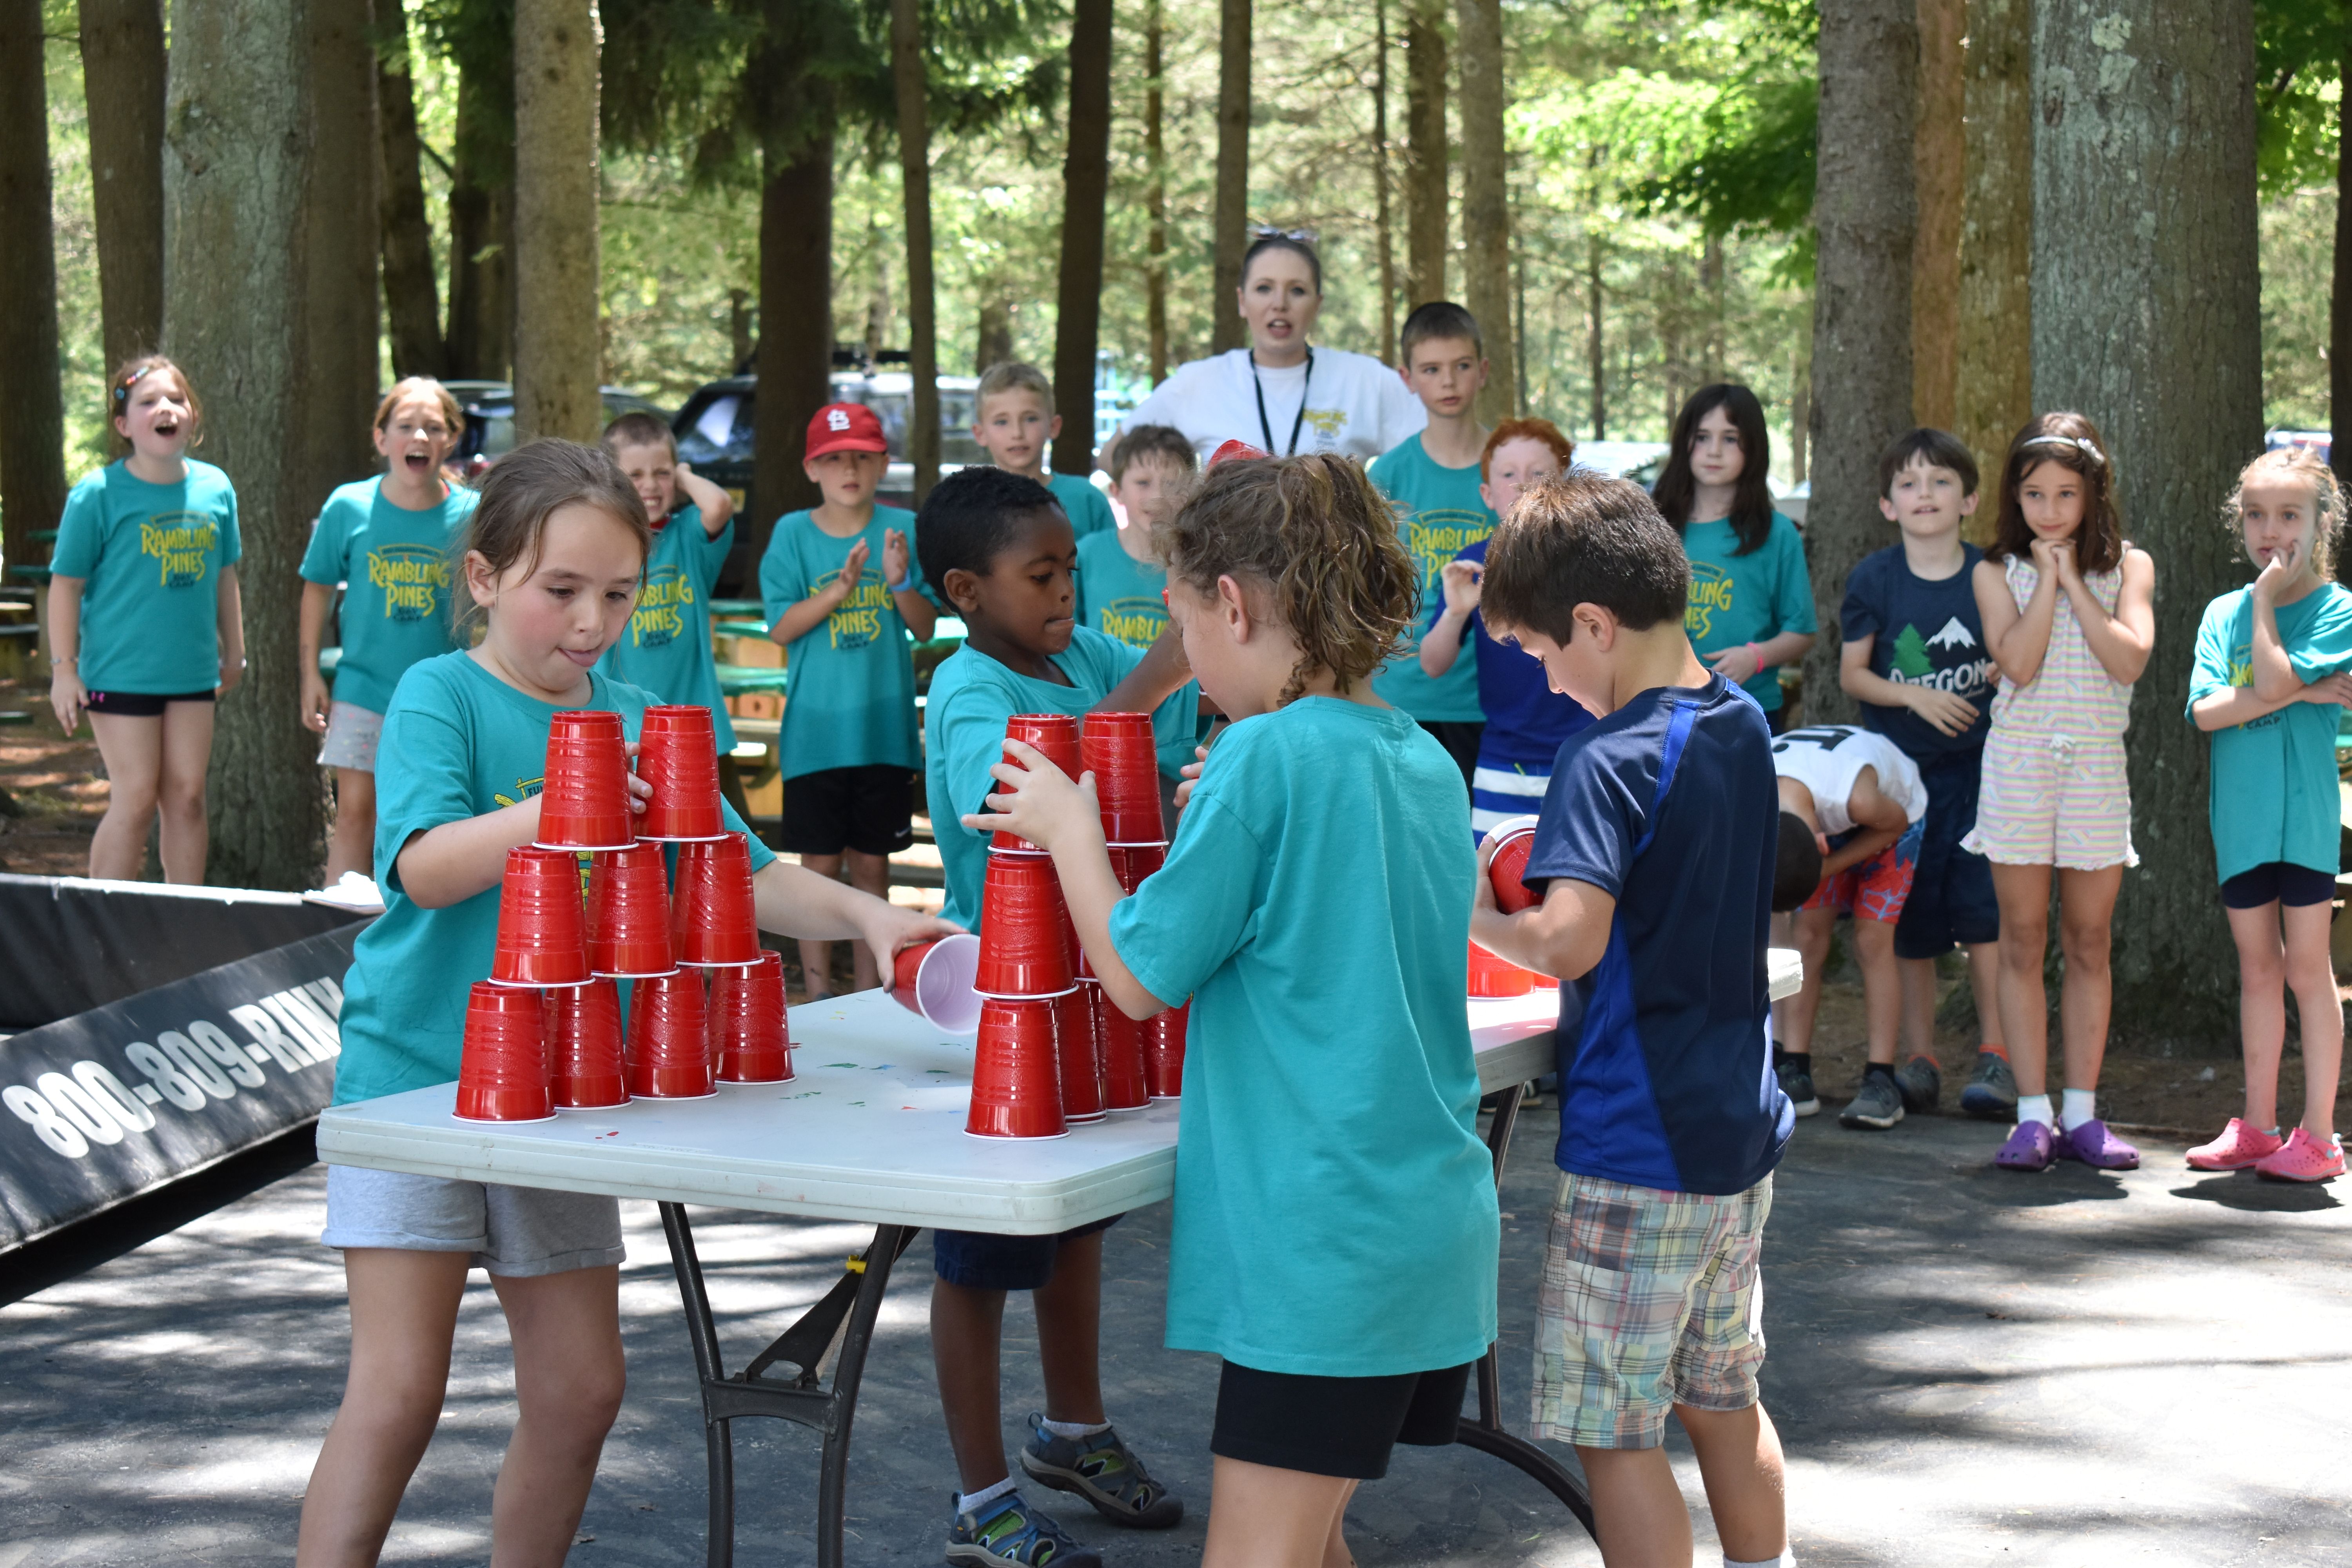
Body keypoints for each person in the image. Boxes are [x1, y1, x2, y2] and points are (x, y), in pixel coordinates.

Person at [297, 439, 952, 1567]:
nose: (591, 622)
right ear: (486, 578)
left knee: (583, 1390)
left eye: (617, 594)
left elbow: (741, 872)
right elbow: (421, 869)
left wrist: (871, 919)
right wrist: (561, 804)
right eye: (561, 591)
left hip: (567, 1096)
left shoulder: (649, 711)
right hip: (415, 1082)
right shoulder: (438, 692)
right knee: (401, 1390)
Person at [967, 452, 1499, 1568]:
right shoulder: (1421, 759)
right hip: (1421, 1233)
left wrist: (1068, 827)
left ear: (1236, 603)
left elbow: (1137, 974)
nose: (1184, 656)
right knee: (1311, 1545)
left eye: (1179, 620)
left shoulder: (1262, 756)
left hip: (1323, 1254)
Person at [1468, 472, 1793, 1568]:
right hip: (1735, 1132)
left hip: (1635, 1148)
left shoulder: (1603, 759)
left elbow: (1567, 940)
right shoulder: (1743, 723)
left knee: (1615, 1435)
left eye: (1547, 655)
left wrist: (1476, 915)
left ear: (1595, 626)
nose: (1552, 685)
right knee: (1723, 1399)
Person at [915, 463, 1195, 1568]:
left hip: (1100, 978)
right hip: (1008, 1003)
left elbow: (1169, 683)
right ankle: (980, 1496)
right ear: (966, 590)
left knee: (1074, 1218)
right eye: (1040, 576)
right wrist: (1139, 712)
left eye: (1071, 568)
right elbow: (1035, 793)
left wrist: (1200, 624)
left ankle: (1072, 1431)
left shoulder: (1080, 657)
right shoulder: (970, 688)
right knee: (980, 1258)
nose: (1066, 593)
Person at [1969, 414, 2156, 1173]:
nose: (2050, 510)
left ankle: (2082, 1111)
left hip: (2095, 769)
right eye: (2035, 492)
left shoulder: (2129, 568)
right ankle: (2032, 1112)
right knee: (2022, 939)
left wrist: (2076, 577)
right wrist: (2044, 577)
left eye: (2066, 494)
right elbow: (2015, 662)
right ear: (2016, 495)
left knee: (2087, 939)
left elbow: (2130, 659)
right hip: (2016, 765)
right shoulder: (1993, 571)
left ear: (2092, 493)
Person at [2184, 447, 2350, 1182]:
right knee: (2259, 971)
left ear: (2321, 523)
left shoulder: (2336, 608)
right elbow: (2206, 713)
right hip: (2244, 825)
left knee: (2308, 972)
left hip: (2307, 822)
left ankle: (2319, 1136)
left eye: (2289, 515)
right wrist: (2298, 693)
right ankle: (2257, 1126)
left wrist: (2263, 607)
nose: (2270, 530)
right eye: (2256, 514)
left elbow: (2272, 674)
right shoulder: (2219, 614)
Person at [1837, 428, 2009, 1122]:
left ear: (1969, 498)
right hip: (1901, 780)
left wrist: (2005, 665)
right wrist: (1915, 694)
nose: (1925, 495)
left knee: (1985, 913)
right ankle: (1920, 1058)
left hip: (1986, 772)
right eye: (1909, 484)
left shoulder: (1990, 573)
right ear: (1887, 504)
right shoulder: (1874, 579)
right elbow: (1855, 674)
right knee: (1910, 914)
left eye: (1941, 482)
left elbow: (2020, 648)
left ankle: (1997, 1056)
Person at [759, 402, 940, 998]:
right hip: (815, 735)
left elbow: (925, 629)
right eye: (834, 459)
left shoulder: (902, 527)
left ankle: (874, 991)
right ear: (812, 469)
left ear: (884, 463)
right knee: (818, 870)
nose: (849, 470)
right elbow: (781, 628)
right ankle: (815, 993)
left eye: (862, 457)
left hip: (883, 733)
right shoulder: (792, 533)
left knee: (871, 867)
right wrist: (839, 590)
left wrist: (899, 582)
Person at [47, 355, 245, 885]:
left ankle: (183, 919)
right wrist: (65, 670)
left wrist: (235, 651)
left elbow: (226, 576)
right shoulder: (98, 493)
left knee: (187, 798)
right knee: (135, 797)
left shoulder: (216, 488)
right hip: (119, 672)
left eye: (176, 399)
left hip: (192, 673)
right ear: (123, 425)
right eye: (148, 402)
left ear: (193, 417)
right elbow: (66, 586)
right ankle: (103, 922)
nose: (166, 409)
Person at [299, 377, 478, 886]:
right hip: (362, 686)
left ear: (451, 439)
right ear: (382, 440)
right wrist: (309, 672)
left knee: (427, 821)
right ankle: (335, 935)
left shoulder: (472, 514)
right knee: (356, 811)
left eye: (433, 428)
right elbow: (315, 589)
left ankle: (404, 934)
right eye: (405, 427)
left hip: (444, 696)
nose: (418, 438)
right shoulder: (348, 506)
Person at [1111, 231, 1424, 467]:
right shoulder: (1199, 381)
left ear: (1317, 305)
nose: (1280, 304)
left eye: (1297, 291)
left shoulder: (1363, 380)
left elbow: (1444, 453)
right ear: (1242, 301)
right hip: (1230, 554)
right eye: (1264, 288)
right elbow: (1113, 457)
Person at [1420, 417, 1593, 837]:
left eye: (1539, 473)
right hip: (1503, 756)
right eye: (1509, 474)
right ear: (1487, 493)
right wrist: (1457, 612)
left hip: (1588, 750)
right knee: (1495, 883)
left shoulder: (1592, 560)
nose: (1524, 484)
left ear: (1567, 484)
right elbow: (1432, 663)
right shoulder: (1475, 564)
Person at [1769, 724, 1930, 1128]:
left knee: (1871, 940)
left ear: (1820, 843)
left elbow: (1893, 824)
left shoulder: (1858, 799)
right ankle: (1793, 1065)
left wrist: (1830, 868)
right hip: (1816, 807)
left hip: (1891, 817)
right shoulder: (1746, 788)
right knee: (1804, 936)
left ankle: (1881, 1077)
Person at [1369, 301, 1499, 791]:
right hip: (1404, 691)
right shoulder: (1388, 475)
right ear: (1408, 377)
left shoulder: (1509, 469)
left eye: (1462, 367)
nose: (1448, 382)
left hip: (1488, 694)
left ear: (1482, 371)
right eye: (1432, 369)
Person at [593, 408, 741, 807]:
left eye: (662, 473)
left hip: (699, 727)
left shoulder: (688, 536)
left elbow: (720, 505)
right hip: (630, 733)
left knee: (728, 848)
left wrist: (684, 473)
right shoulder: (601, 546)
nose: (651, 486)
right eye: (635, 476)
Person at [1652, 385, 1815, 732]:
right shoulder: (1653, 525)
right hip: (1660, 706)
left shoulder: (1777, 533)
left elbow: (1802, 632)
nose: (1714, 451)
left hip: (1748, 708)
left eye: (1730, 439)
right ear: (1684, 443)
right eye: (1702, 437)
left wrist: (1756, 658)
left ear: (1753, 447)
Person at [1077, 422, 1201, 784]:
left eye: (1172, 484)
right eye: (1143, 483)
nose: (1157, 497)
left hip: (1178, 749)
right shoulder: (1088, 554)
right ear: (1116, 490)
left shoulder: (1200, 563)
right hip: (1106, 743)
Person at [973, 360, 1118, 541]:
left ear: (1054, 426)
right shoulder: (963, 507)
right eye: (1002, 422)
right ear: (980, 434)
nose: (1017, 433)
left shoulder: (1086, 499)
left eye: (1031, 419)